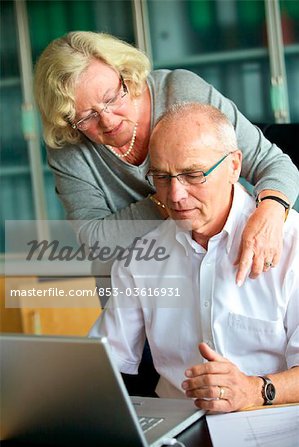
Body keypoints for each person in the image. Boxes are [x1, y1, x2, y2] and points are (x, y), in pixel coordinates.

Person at [33, 31, 299, 289]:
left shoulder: (180, 91)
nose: (108, 120)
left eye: (111, 98)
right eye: (87, 116)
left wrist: (271, 211)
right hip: (141, 283)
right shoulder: (68, 143)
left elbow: (274, 163)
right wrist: (172, 199)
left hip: (220, 266)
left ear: (125, 75)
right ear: (68, 121)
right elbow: (96, 242)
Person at [89, 103, 299, 412]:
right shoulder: (140, 259)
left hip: (269, 421)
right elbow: (104, 359)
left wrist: (254, 390)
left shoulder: (291, 242)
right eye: (161, 177)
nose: (175, 195)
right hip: (178, 426)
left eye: (192, 175)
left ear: (234, 166)